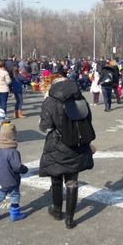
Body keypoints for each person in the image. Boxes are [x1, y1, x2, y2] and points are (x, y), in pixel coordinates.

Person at [39, 77, 95, 229]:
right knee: (72, 181)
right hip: (77, 144)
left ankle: (57, 211)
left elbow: (45, 127)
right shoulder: (81, 98)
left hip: (56, 145)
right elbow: (88, 119)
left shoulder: (50, 101)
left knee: (56, 178)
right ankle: (70, 220)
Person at [0, 122, 28, 222]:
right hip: (12, 180)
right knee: (15, 195)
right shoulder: (13, 152)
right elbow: (17, 167)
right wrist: (24, 169)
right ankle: (15, 214)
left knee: (0, 195)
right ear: (12, 137)